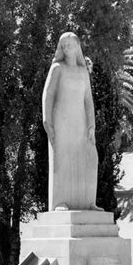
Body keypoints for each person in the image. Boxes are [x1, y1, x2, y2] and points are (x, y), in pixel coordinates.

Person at [42, 32, 102, 211]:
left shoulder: (83, 72)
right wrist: (47, 119)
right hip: (61, 121)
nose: (67, 49)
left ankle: (88, 202)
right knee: (62, 159)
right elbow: (48, 94)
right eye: (64, 46)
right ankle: (60, 201)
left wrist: (92, 125)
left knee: (89, 159)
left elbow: (88, 101)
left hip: (81, 122)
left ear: (78, 47)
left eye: (70, 45)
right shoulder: (57, 68)